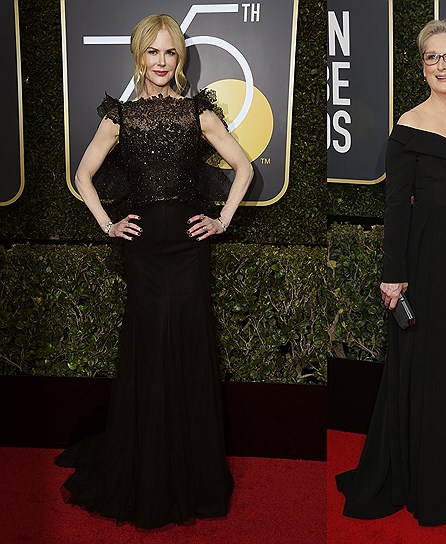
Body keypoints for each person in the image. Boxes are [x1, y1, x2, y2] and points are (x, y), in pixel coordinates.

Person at [55, 14, 253, 529]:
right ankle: (145, 470)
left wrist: (222, 219)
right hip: (142, 252)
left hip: (188, 249)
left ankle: (192, 475)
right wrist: (107, 224)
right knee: (149, 349)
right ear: (139, 55)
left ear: (179, 58)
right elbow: (83, 174)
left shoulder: (197, 112)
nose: (162, 62)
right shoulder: (120, 116)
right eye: (153, 52)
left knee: (187, 345)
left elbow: (245, 167)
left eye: (170, 52)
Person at [335, 19, 446, 526]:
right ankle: (433, 479)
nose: (442, 65)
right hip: (430, 260)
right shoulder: (409, 128)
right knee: (437, 367)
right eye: (432, 57)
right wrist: (393, 274)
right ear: (422, 67)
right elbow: (397, 206)